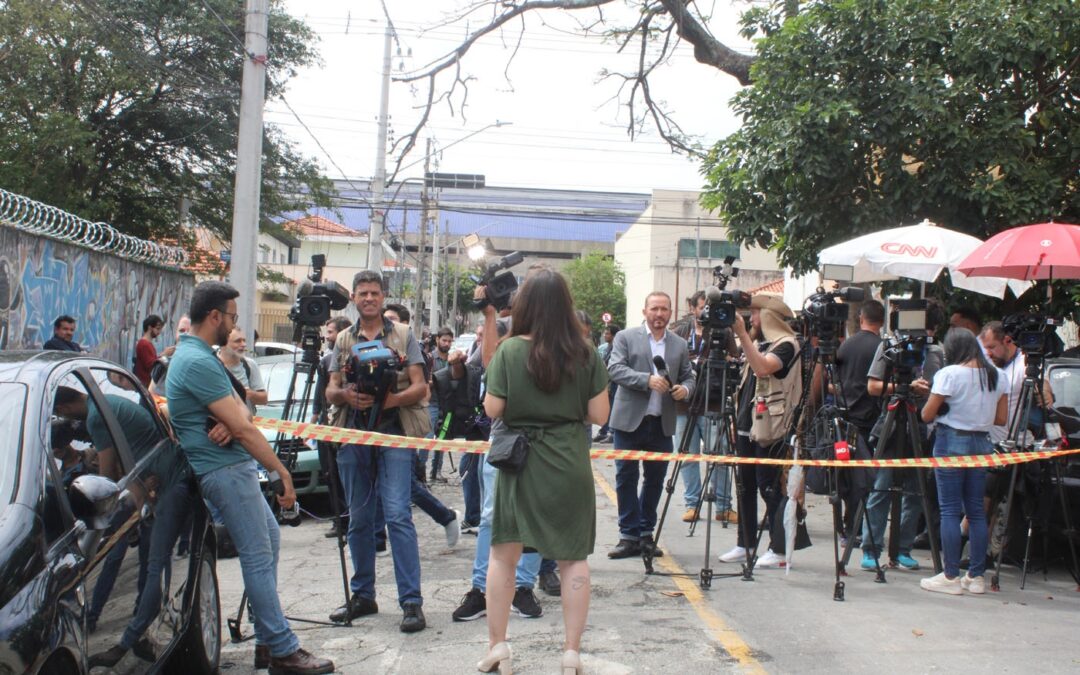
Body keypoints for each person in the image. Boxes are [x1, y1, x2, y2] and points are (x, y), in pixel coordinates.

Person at [166, 280, 333, 673]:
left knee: (270, 541)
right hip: (223, 470)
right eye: (232, 317)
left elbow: (244, 410)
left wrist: (235, 419)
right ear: (214, 317)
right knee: (258, 557)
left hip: (231, 466)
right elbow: (243, 426)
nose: (234, 325)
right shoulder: (195, 360)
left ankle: (267, 639)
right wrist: (280, 471)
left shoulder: (202, 357)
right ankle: (281, 648)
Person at [478, 268, 610, 675]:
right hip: (569, 459)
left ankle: (499, 647)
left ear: (526, 306)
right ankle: (571, 653)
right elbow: (599, 414)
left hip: (521, 461)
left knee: (504, 555)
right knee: (573, 559)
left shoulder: (509, 350)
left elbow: (492, 409)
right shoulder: (586, 352)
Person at [326, 271, 430, 632]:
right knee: (359, 518)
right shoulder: (342, 339)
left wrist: (391, 400)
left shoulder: (403, 335)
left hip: (395, 434)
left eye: (374, 293)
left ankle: (411, 602)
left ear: (383, 297)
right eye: (362, 293)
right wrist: (345, 395)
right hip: (354, 433)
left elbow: (420, 387)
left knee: (399, 515)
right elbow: (331, 388)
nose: (368, 298)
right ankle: (363, 595)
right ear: (354, 298)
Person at [451, 284, 549, 624]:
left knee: (534, 516)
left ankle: (523, 587)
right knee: (493, 516)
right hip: (505, 439)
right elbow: (491, 368)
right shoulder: (501, 334)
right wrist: (489, 314)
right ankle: (480, 590)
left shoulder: (557, 343)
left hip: (544, 444)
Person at [606, 291, 695, 559]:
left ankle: (646, 533)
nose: (659, 314)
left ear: (670, 312)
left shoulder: (679, 344)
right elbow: (614, 369)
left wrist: (684, 390)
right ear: (645, 311)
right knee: (625, 477)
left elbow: (689, 377)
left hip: (662, 423)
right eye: (654, 309)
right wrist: (646, 380)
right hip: (629, 421)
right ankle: (628, 535)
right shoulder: (625, 337)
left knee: (656, 479)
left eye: (664, 309)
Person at [857, 302, 945, 572]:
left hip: (919, 426)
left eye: (929, 327)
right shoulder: (889, 347)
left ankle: (903, 548)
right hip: (892, 424)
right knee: (880, 487)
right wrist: (902, 386)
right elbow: (872, 386)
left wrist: (926, 393)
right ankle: (870, 548)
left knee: (914, 491)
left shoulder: (937, 353)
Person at [920, 328, 1008, 595]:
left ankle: (950, 576)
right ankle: (977, 576)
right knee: (976, 511)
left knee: (949, 509)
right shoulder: (998, 375)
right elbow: (1001, 419)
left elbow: (926, 415)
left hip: (950, 441)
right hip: (982, 443)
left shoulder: (949, 374)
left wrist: (930, 395)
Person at [719, 293, 802, 568]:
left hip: (772, 428)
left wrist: (742, 335)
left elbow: (763, 368)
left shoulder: (787, 345)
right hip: (748, 423)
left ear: (768, 315)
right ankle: (746, 543)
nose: (749, 319)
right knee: (744, 486)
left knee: (769, 486)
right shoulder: (760, 342)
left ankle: (779, 547)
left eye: (754, 313)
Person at [671, 290, 737, 524]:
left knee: (719, 456)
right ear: (692, 308)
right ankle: (692, 504)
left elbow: (734, 359)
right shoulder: (680, 332)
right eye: (702, 307)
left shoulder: (723, 331)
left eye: (709, 307)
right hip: (683, 405)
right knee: (687, 457)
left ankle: (723, 505)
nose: (706, 311)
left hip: (715, 402)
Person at [832, 301, 884, 540]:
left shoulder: (846, 346)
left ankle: (844, 524)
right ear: (882, 322)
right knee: (866, 476)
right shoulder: (882, 348)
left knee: (844, 472)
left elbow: (834, 380)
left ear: (861, 318)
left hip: (843, 418)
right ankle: (858, 524)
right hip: (870, 420)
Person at [312, 316, 353, 539]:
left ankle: (352, 519)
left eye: (331, 332)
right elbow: (321, 393)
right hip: (325, 425)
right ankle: (339, 520)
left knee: (345, 473)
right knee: (329, 473)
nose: (327, 337)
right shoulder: (326, 361)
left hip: (345, 424)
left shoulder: (349, 358)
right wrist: (315, 416)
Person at [217, 326, 267, 415]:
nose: (243, 344)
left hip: (246, 424)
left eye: (244, 340)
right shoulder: (212, 364)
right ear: (223, 344)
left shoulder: (250, 365)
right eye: (238, 341)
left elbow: (264, 399)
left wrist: (249, 394)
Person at [148, 315, 190, 398]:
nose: (185, 335)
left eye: (190, 331)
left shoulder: (202, 371)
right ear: (176, 334)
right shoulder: (163, 365)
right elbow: (148, 399)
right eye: (181, 330)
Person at [592, 324, 620, 444]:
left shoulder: (617, 347)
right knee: (607, 407)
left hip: (615, 383)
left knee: (614, 408)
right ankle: (604, 431)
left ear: (613, 335)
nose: (605, 335)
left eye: (607, 333)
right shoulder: (607, 347)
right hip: (607, 382)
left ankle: (612, 433)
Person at [133, 315, 166, 386]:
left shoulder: (147, 344)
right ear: (150, 328)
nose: (159, 332)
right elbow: (151, 366)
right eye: (157, 329)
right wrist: (164, 354)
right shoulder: (144, 344)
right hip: (145, 385)